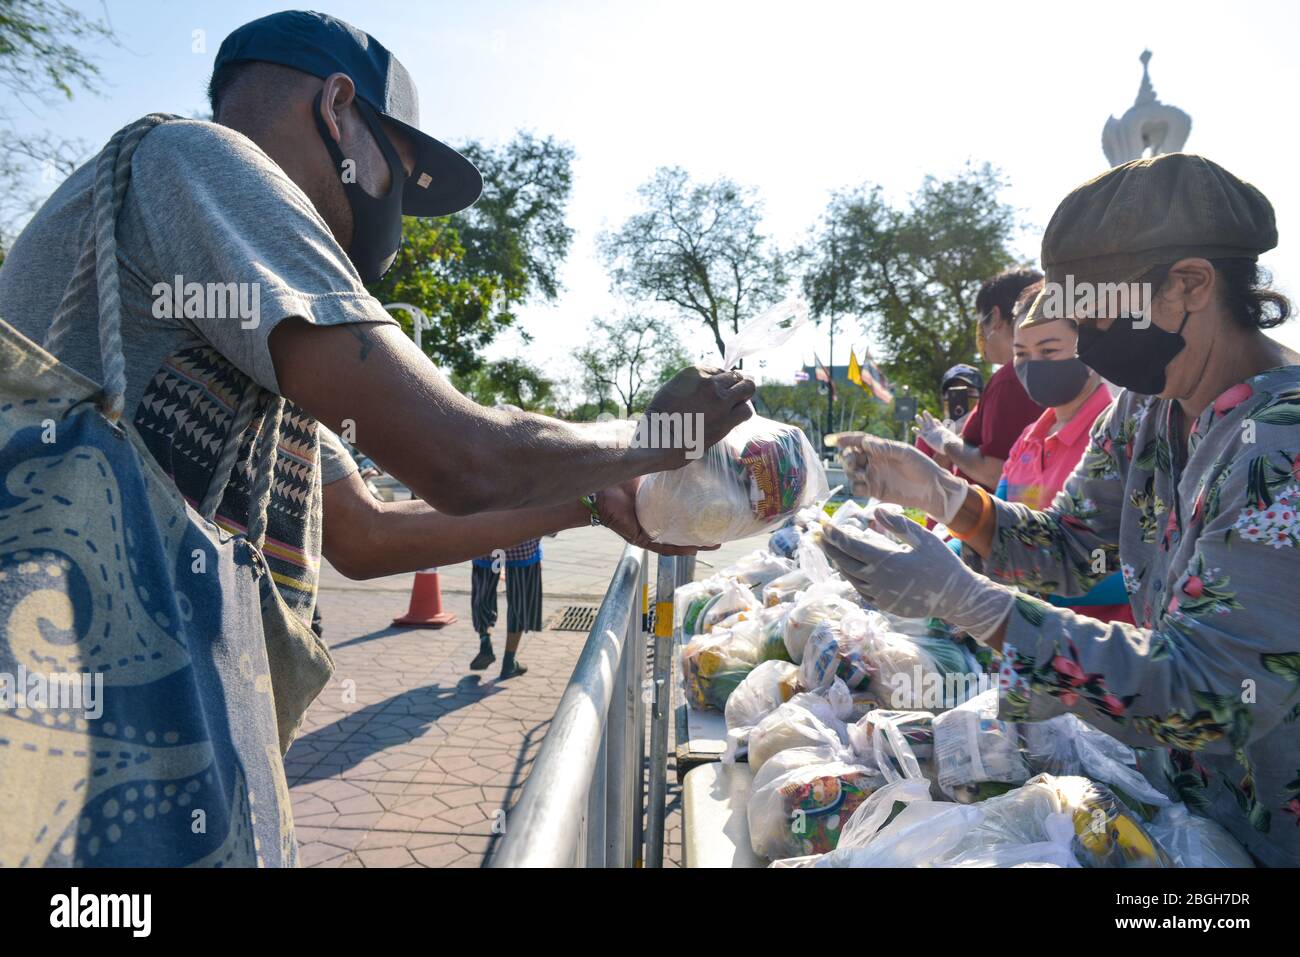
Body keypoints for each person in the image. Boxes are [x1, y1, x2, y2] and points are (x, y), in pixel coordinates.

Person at [0, 11, 744, 864]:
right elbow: (459, 451)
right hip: (81, 775)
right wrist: (661, 435)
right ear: (338, 109)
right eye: (400, 172)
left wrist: (586, 500)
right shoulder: (205, 163)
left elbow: (363, 533)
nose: (397, 213)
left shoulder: (257, 325)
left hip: (125, 773)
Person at [828, 153, 1300, 865]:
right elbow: (1076, 543)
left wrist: (973, 603)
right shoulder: (1150, 406)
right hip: (1183, 816)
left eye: (1096, 312)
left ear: (1189, 285)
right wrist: (947, 496)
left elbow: (1207, 691)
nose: (1087, 339)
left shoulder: (1281, 444)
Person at [1000, 280, 1133, 624]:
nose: (1033, 365)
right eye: (1021, 354)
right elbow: (996, 516)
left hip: (1108, 650)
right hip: (1032, 639)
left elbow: (1146, 566)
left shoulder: (1124, 433)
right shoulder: (1028, 439)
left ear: (1088, 349)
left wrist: (1035, 581)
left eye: (1049, 351)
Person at [915, 270, 1044, 490]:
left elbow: (997, 473)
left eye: (980, 322)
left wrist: (948, 442)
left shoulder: (1009, 380)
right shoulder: (1047, 370)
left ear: (994, 317)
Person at [469, 539, 542, 678]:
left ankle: (485, 644)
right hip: (523, 546)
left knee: (483, 595)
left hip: (487, 544)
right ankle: (509, 663)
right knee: (520, 604)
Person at [915, 363, 983, 463]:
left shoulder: (989, 433)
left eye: (968, 391)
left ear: (982, 397)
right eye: (953, 393)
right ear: (943, 399)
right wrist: (948, 439)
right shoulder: (930, 435)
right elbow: (922, 477)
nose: (961, 399)